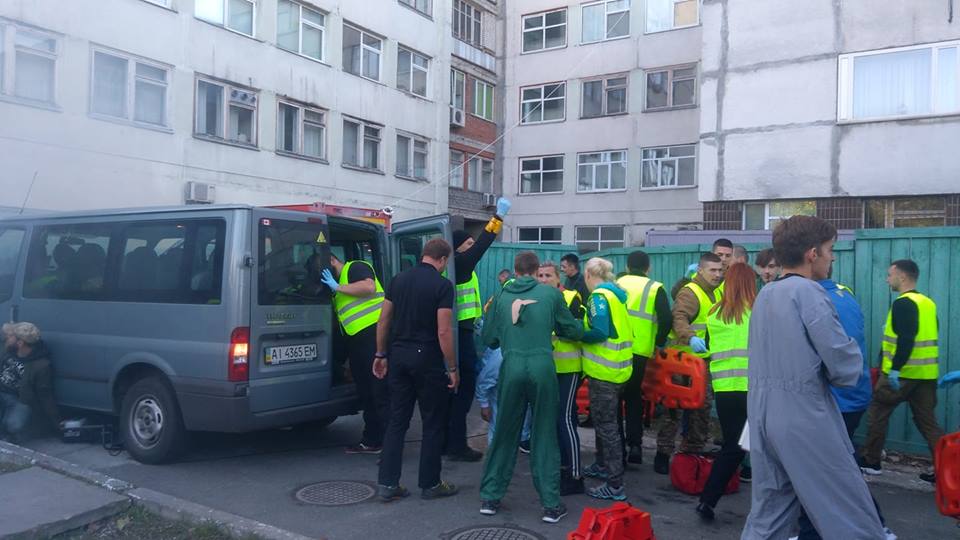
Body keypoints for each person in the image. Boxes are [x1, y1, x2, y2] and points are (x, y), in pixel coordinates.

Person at [741, 215, 884, 539]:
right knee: (849, 511)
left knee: (770, 513)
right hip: (804, 413)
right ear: (812, 254)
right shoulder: (810, 292)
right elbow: (843, 364)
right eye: (830, 249)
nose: (832, 256)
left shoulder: (766, 294)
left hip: (762, 413)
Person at [478, 251, 585, 524]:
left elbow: (489, 339)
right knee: (544, 433)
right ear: (537, 271)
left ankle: (490, 498)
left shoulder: (501, 296)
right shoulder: (550, 295)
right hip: (542, 368)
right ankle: (550, 505)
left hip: (511, 366)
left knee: (504, 432)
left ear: (515, 270)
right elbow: (570, 330)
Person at [797, 277, 893, 539]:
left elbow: (835, 356)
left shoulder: (819, 301)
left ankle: (876, 525)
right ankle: (810, 529)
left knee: (831, 470)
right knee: (829, 467)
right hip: (848, 397)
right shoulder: (841, 294)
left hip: (838, 399)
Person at [374, 239, 460, 502]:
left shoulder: (398, 280)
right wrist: (453, 367)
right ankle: (430, 483)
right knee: (432, 422)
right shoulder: (443, 285)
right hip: (428, 359)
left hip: (398, 356)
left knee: (397, 421)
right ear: (443, 260)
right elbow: (443, 330)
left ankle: (388, 484)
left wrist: (380, 354)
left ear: (424, 255)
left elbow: (383, 320)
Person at [859, 259, 945, 476]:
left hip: (901, 375)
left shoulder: (903, 303)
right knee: (928, 423)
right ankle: (946, 469)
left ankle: (871, 461)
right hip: (926, 376)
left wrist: (895, 369)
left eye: (890, 275)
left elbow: (907, 338)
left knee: (878, 413)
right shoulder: (928, 303)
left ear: (902, 276)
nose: (887, 279)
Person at [445, 197, 512, 462]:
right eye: (468, 244)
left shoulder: (460, 268)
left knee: (454, 392)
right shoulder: (460, 264)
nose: (472, 247)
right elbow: (483, 244)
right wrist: (498, 217)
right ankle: (456, 445)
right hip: (458, 334)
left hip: (461, 330)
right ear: (458, 248)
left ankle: (448, 442)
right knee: (463, 389)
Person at [695, 263, 755, 521]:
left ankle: (708, 500)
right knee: (765, 447)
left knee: (732, 445)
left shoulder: (714, 313)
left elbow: (707, 348)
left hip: (725, 389)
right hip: (755, 388)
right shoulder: (759, 311)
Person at [654, 252, 723, 474]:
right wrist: (691, 337)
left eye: (720, 270)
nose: (717, 274)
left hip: (704, 363)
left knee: (701, 411)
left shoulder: (719, 291)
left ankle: (692, 455)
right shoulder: (690, 292)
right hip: (682, 362)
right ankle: (663, 453)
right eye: (712, 270)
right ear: (700, 271)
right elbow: (679, 318)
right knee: (673, 410)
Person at [320, 254, 389, 455]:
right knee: (367, 393)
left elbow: (369, 287)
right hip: (357, 343)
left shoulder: (355, 267)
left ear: (332, 261)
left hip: (375, 337)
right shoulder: (336, 288)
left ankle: (391, 444)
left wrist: (337, 287)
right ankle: (372, 441)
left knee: (380, 393)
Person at [579, 258, 633, 501]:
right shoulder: (616, 296)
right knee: (606, 424)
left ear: (590, 274)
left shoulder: (598, 298)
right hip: (620, 370)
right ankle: (602, 465)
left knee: (607, 427)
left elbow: (599, 332)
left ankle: (614, 484)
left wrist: (576, 333)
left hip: (605, 373)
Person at [616, 251, 671, 465]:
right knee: (633, 397)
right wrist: (658, 341)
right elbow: (666, 318)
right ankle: (635, 445)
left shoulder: (617, 283)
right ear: (648, 268)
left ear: (628, 266)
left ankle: (616, 448)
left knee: (614, 399)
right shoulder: (655, 287)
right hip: (640, 351)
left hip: (615, 349)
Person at [538, 260, 587, 495]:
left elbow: (577, 330)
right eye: (540, 276)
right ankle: (560, 467)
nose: (544, 280)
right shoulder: (537, 299)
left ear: (558, 278)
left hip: (568, 367)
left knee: (565, 419)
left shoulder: (572, 297)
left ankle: (576, 475)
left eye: (548, 275)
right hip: (547, 368)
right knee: (552, 420)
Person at [0, 322, 59, 442]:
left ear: (20, 343)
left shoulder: (42, 365)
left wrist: (57, 421)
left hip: (19, 399)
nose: (8, 338)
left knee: (14, 425)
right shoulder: (7, 350)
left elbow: (45, 394)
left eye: (12, 336)